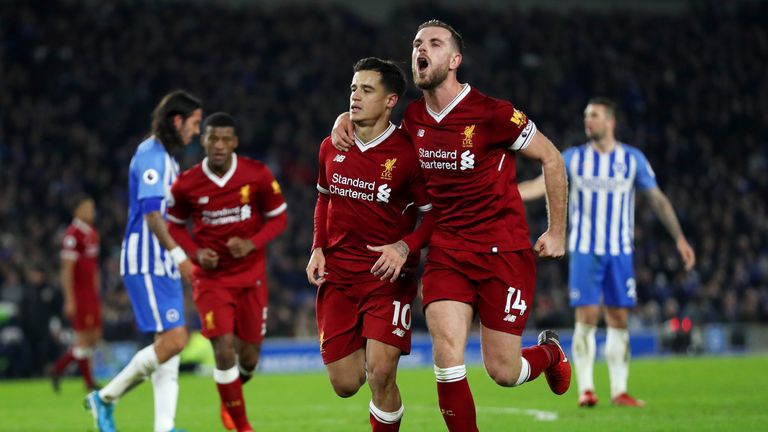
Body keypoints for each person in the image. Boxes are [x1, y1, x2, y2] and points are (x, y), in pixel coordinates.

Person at [332, 21, 570, 432]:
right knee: (446, 355)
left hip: (504, 251)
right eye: (416, 44)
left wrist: (558, 231)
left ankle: (549, 354)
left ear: (454, 61)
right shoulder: (412, 117)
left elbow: (552, 158)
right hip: (447, 252)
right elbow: (379, 133)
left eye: (434, 43)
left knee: (503, 370)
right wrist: (345, 118)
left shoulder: (493, 113)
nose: (421, 49)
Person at [518, 97, 696, 408]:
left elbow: (657, 199)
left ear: (610, 122)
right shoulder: (574, 158)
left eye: (595, 116)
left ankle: (619, 390)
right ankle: (586, 389)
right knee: (586, 317)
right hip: (586, 251)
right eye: (586, 116)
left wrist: (679, 238)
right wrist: (506, 193)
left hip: (620, 252)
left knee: (618, 319)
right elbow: (540, 184)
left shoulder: (631, 159)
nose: (588, 121)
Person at [307, 57, 436, 432]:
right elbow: (323, 197)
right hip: (339, 276)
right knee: (346, 384)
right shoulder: (331, 146)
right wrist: (317, 247)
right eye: (353, 89)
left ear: (390, 100)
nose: (355, 97)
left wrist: (405, 247)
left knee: (381, 373)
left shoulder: (409, 154)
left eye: (367, 90)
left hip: (387, 279)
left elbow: (433, 215)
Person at [85, 90, 202, 432]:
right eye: (194, 124)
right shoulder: (152, 156)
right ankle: (104, 398)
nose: (196, 131)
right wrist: (180, 256)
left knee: (170, 345)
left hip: (160, 260)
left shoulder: (167, 157)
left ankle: (164, 427)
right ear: (177, 121)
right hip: (147, 259)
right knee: (175, 340)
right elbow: (153, 216)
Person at [166, 112, 288, 432]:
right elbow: (174, 225)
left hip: (251, 276)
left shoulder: (257, 174)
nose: (219, 145)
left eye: (225, 139)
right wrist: (194, 253)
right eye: (212, 138)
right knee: (223, 348)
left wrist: (252, 243)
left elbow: (279, 218)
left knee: (248, 359)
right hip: (212, 280)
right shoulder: (186, 183)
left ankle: (230, 396)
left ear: (234, 143)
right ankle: (243, 426)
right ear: (203, 140)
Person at [50, 194, 101, 392]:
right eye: (88, 208)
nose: (91, 212)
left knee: (94, 337)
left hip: (90, 294)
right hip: (79, 294)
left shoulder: (92, 233)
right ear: (77, 210)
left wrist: (96, 291)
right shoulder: (72, 235)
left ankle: (58, 368)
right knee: (83, 338)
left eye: (92, 208)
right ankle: (88, 382)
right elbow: (67, 270)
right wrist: (69, 299)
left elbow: (94, 266)